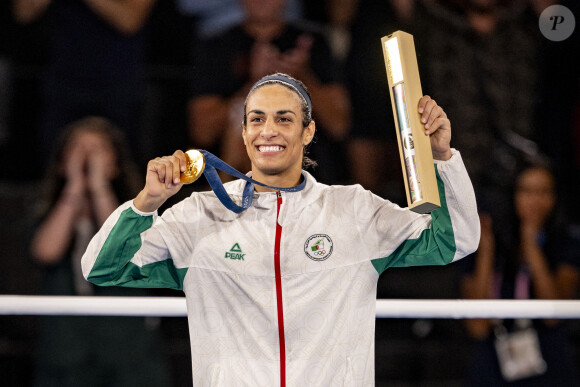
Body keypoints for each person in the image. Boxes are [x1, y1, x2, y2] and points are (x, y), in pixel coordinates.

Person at [82, 73, 480, 386]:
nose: (267, 131)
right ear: (243, 132)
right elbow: (101, 267)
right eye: (256, 119)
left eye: (283, 119)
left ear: (308, 133)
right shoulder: (198, 215)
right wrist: (146, 203)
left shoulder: (354, 210)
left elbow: (456, 240)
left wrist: (442, 157)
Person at [31, 117, 169, 387]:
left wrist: (98, 187)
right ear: (62, 161)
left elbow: (125, 247)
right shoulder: (44, 214)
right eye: (78, 148)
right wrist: (74, 188)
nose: (86, 156)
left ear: (115, 164)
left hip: (128, 355)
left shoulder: (143, 215)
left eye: (97, 149)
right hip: (64, 356)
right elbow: (45, 252)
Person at [187, 0, 350, 184]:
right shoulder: (216, 45)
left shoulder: (313, 42)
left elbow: (339, 125)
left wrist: (302, 78)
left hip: (309, 184)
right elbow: (202, 132)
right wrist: (255, 83)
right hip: (237, 188)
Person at [461, 163, 580, 385]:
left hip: (550, 362)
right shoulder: (489, 241)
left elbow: (553, 314)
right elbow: (477, 326)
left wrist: (531, 244)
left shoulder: (567, 243)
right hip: (494, 361)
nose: (535, 200)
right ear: (512, 195)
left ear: (555, 198)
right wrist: (486, 252)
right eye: (527, 191)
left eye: (544, 192)